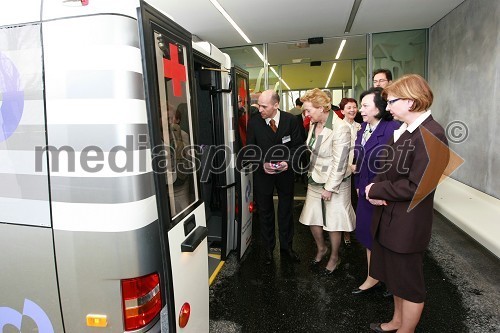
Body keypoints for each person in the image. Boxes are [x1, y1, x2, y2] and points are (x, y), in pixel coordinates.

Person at [366, 74, 449, 333]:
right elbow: (388, 169)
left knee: (409, 284)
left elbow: (418, 186)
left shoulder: (433, 134)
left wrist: (377, 188)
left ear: (411, 102)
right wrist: (376, 190)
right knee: (396, 278)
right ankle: (397, 322)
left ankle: (406, 330)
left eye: (391, 102)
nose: (387, 107)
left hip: (408, 223)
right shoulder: (405, 131)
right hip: (391, 217)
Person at [298, 88, 355, 274]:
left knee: (333, 221)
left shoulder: (341, 128)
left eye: (308, 110)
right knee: (312, 217)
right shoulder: (314, 124)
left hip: (337, 180)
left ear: (322, 107)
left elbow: (340, 163)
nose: (306, 114)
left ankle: (334, 257)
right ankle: (322, 248)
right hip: (315, 177)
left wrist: (330, 188)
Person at [351, 87, 400, 296]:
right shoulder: (363, 128)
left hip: (383, 194)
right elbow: (358, 155)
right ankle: (374, 277)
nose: (360, 110)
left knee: (386, 239)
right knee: (368, 236)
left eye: (364, 106)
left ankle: (391, 280)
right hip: (365, 192)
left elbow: (397, 167)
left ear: (380, 108)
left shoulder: (393, 129)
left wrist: (380, 190)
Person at [246, 89, 303, 265]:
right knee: (265, 213)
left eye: (264, 106)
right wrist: (263, 163)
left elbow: (298, 146)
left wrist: (288, 162)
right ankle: (268, 249)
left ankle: (287, 248)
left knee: (286, 210)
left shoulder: (291, 121)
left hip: (285, 174)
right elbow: (251, 150)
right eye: (259, 106)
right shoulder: (254, 123)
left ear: (276, 105)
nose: (260, 109)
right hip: (263, 175)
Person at [339, 97, 361, 248]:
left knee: (357, 201)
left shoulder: (362, 127)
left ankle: (357, 229)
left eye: (354, 107)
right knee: (345, 202)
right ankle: (345, 232)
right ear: (342, 111)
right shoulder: (339, 127)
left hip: (360, 168)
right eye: (348, 107)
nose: (352, 110)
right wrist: (348, 166)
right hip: (345, 169)